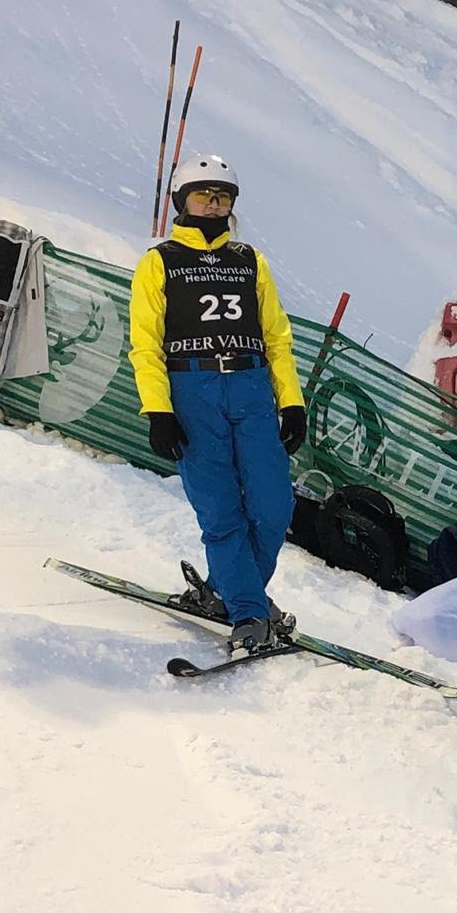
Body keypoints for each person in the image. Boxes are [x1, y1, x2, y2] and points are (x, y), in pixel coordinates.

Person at [128, 153, 307, 654]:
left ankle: (225, 591)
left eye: (222, 197)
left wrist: (291, 402)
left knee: (273, 506)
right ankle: (248, 612)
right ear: (181, 201)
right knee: (221, 510)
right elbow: (145, 343)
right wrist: (158, 410)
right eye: (203, 196)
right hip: (193, 389)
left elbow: (277, 337)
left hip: (250, 386)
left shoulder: (250, 259)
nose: (213, 205)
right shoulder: (159, 261)